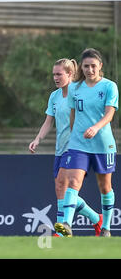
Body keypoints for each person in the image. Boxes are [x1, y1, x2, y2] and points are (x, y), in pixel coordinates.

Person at [29, 58, 102, 236]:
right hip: (60, 149)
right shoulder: (54, 96)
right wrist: (38, 139)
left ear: (69, 74)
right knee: (61, 189)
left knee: (67, 186)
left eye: (59, 74)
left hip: (78, 147)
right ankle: (96, 218)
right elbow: (48, 121)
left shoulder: (79, 93)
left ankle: (62, 230)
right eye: (54, 74)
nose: (55, 77)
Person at [54, 48, 118, 237]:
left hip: (102, 144)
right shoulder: (75, 87)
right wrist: (74, 135)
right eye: (86, 66)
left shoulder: (109, 86)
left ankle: (105, 227)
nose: (90, 70)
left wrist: (96, 128)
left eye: (93, 66)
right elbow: (72, 114)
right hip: (79, 144)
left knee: (104, 186)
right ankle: (66, 223)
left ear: (100, 67)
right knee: (73, 181)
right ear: (81, 67)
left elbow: (110, 114)